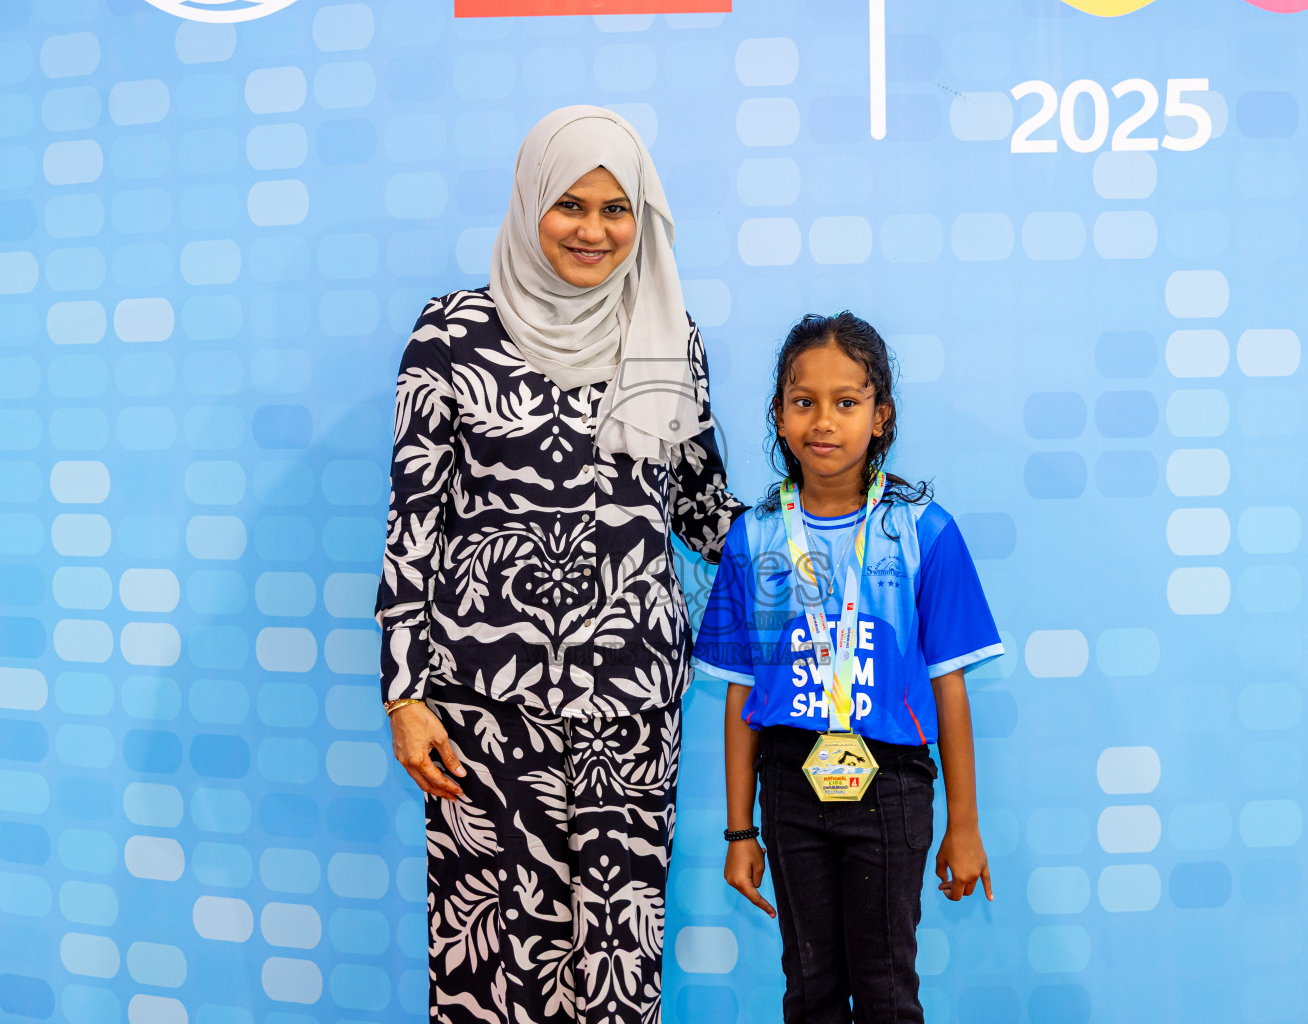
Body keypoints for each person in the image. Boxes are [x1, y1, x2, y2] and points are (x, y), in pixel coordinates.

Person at [374, 106, 744, 1024]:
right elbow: (413, 521)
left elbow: (699, 509)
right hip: (481, 710)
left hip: (631, 708)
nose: (593, 230)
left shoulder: (671, 335)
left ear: (643, 217)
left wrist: (823, 538)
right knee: (490, 955)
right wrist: (404, 693)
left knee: (616, 954)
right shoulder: (452, 335)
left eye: (617, 208)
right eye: (570, 205)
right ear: (531, 203)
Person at [693, 312, 1003, 1024]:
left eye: (847, 401)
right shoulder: (755, 537)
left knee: (887, 985)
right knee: (810, 988)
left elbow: (949, 688)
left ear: (881, 416)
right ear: (778, 415)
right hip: (789, 784)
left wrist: (966, 825)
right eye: (803, 402)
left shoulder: (923, 531)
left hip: (891, 784)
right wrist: (741, 832)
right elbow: (741, 698)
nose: (823, 421)